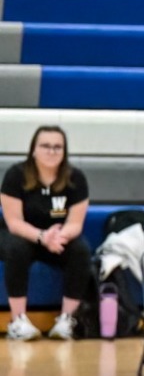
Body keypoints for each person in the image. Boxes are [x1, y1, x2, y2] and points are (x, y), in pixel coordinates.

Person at [1, 126, 94, 341]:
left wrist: (58, 237)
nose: (51, 151)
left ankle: (67, 320)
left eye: (57, 147)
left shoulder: (75, 178)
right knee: (16, 249)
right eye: (45, 146)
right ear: (33, 149)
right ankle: (18, 321)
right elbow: (14, 222)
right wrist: (42, 236)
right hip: (22, 235)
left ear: (64, 151)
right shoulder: (16, 175)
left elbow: (75, 223)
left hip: (57, 238)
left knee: (80, 250)